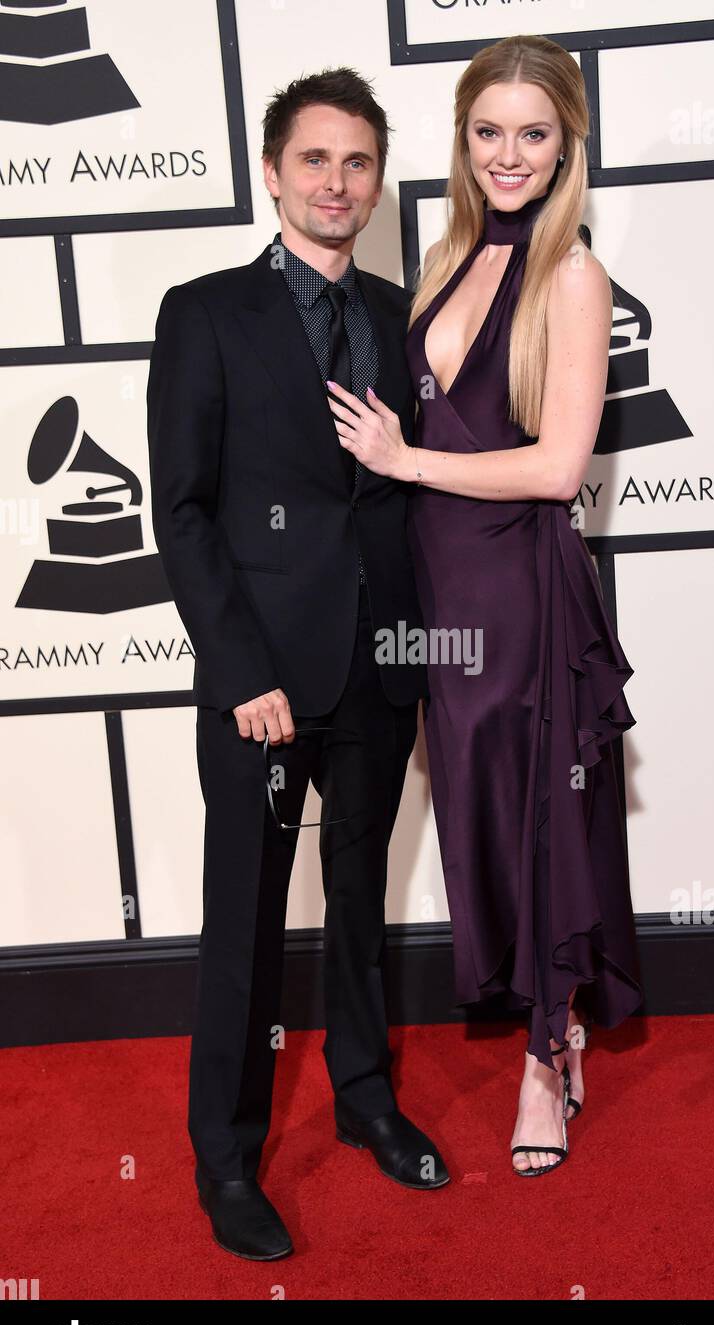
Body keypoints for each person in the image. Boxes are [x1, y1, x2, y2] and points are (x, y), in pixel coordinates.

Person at [326, 36, 644, 1177]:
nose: (508, 155)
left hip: (517, 587)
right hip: (434, 593)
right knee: (472, 815)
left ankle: (544, 1060)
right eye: (487, 131)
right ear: (461, 142)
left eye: (533, 133)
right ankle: (535, 1017)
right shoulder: (446, 261)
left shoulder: (569, 273)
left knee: (535, 814)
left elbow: (559, 468)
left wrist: (407, 461)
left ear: (567, 145)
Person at [146, 68, 449, 1262]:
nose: (336, 181)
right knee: (246, 930)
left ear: (377, 183)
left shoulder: (398, 313)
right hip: (261, 686)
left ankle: (366, 1099)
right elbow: (182, 512)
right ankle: (225, 1159)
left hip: (377, 670)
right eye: (314, 160)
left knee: (362, 911)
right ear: (270, 173)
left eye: (357, 162)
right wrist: (240, 672)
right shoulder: (205, 311)